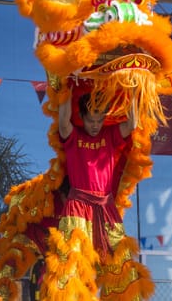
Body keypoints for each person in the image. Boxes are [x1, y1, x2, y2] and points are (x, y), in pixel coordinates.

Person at [58, 88, 137, 258]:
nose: (95, 125)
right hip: (77, 206)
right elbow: (63, 122)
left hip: (106, 207)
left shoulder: (110, 135)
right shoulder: (73, 137)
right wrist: (65, 85)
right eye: (90, 121)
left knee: (120, 262)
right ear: (81, 118)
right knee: (71, 262)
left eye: (99, 121)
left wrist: (134, 89)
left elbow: (132, 124)